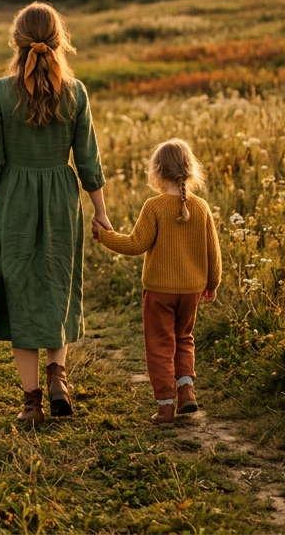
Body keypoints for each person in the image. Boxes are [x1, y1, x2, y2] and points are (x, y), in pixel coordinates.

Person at [0, 2, 109, 426]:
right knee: (56, 288)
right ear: (60, 40)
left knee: (20, 294)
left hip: (13, 205)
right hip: (62, 203)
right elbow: (88, 161)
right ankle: (58, 380)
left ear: (15, 41)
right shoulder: (76, 92)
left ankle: (31, 403)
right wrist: (101, 212)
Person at [93, 138, 222, 424]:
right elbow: (214, 254)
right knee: (184, 339)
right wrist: (211, 284)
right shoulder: (201, 208)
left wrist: (105, 236)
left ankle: (165, 406)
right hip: (191, 291)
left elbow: (136, 244)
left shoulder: (154, 206)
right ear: (189, 170)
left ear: (158, 171)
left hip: (159, 292)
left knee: (160, 345)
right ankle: (186, 390)